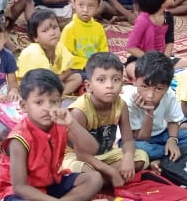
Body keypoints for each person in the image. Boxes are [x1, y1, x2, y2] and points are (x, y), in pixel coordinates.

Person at [0, 69, 109, 201]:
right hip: (19, 193)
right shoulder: (18, 139)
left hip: (49, 184)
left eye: (54, 102)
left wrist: (72, 123)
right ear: (24, 105)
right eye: (39, 102)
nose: (47, 108)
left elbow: (93, 149)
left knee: (95, 178)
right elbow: (20, 187)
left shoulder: (59, 124)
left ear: (61, 102)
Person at [63, 53, 150, 187]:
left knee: (142, 157)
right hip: (79, 157)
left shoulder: (121, 105)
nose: (110, 85)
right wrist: (112, 172)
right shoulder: (79, 111)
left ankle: (98, 181)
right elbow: (82, 155)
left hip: (106, 154)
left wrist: (127, 159)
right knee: (78, 169)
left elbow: (128, 140)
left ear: (122, 83)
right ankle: (105, 178)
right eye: (102, 80)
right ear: (89, 86)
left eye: (116, 79)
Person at [120, 51, 187, 161]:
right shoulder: (129, 102)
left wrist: (172, 140)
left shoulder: (169, 94)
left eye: (158, 89)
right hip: (139, 139)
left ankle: (163, 153)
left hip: (162, 134)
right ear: (135, 81)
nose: (150, 95)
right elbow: (143, 138)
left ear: (167, 87)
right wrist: (149, 112)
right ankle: (169, 152)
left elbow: (173, 121)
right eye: (144, 87)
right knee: (138, 148)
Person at [124, 0, 187, 79]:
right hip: (141, 59)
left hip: (161, 58)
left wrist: (165, 59)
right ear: (162, 0)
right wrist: (150, 60)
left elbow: (169, 41)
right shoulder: (143, 20)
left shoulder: (168, 16)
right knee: (137, 72)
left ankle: (159, 75)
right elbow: (131, 47)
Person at [17, 9, 81, 95]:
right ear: (35, 37)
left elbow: (69, 70)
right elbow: (39, 81)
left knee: (77, 77)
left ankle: (57, 96)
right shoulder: (33, 52)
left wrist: (57, 80)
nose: (52, 33)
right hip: (32, 85)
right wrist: (57, 81)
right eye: (45, 31)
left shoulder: (59, 46)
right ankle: (53, 96)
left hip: (52, 81)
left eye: (55, 27)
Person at [59, 0, 109, 80]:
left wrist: (101, 62)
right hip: (76, 68)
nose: (85, 10)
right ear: (73, 4)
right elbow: (65, 56)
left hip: (95, 66)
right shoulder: (70, 29)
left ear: (98, 7)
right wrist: (87, 63)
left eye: (90, 6)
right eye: (81, 5)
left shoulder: (98, 28)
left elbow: (103, 50)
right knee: (80, 77)